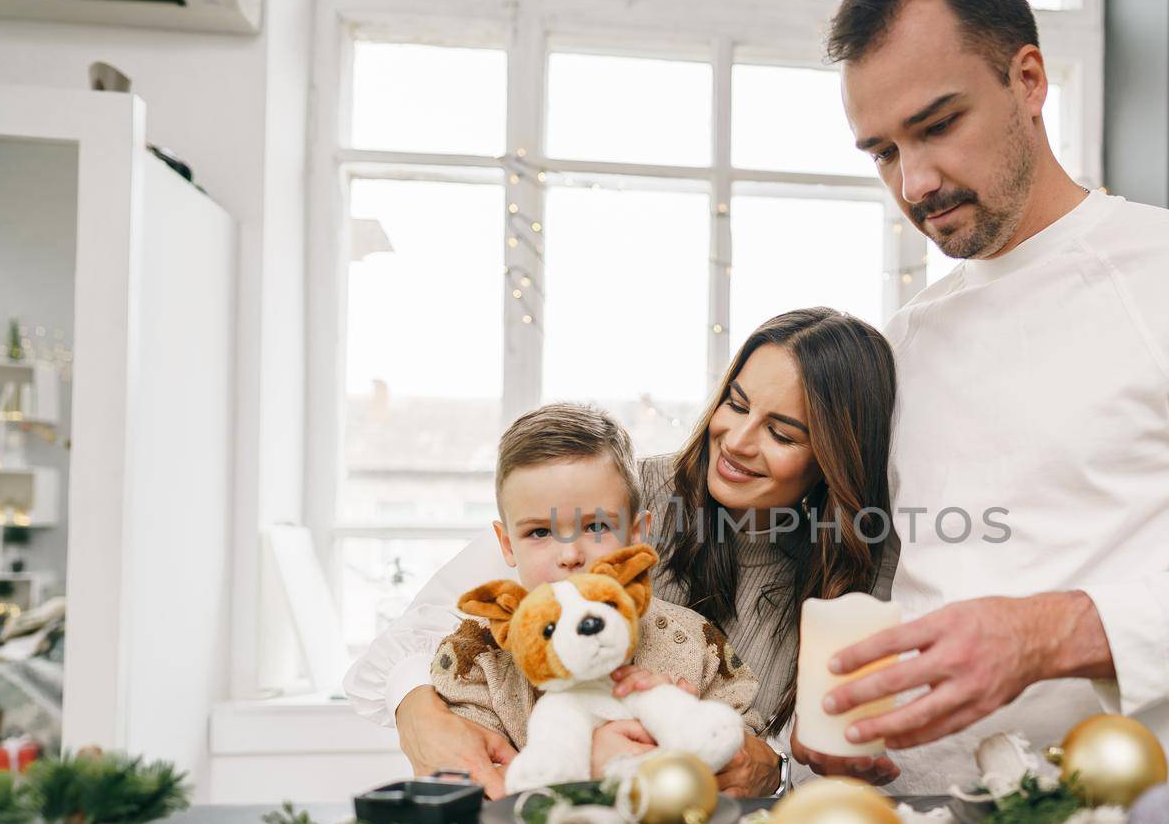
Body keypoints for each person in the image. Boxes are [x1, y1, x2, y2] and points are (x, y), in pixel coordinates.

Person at [803, 0, 1169, 793]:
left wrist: (1043, 634)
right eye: (884, 152)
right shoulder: (905, 337)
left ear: (1027, 80)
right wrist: (840, 702)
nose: (915, 181)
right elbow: (900, 572)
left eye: (936, 125)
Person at [344, 308, 899, 796]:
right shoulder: (615, 499)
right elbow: (425, 630)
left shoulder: (857, 568)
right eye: (736, 402)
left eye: (782, 433)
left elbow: (836, 756)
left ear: (833, 456)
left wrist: (774, 771)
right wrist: (417, 709)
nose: (736, 440)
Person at [424, 402, 762, 774]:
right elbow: (474, 777)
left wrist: (684, 730)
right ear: (507, 545)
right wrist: (586, 768)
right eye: (539, 531)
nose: (570, 555)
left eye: (596, 527)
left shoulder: (696, 640)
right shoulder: (478, 657)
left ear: (636, 534)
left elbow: (743, 753)